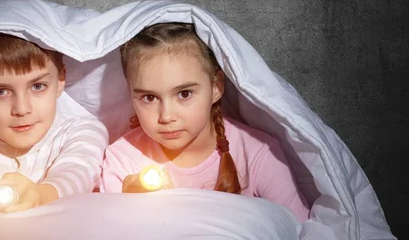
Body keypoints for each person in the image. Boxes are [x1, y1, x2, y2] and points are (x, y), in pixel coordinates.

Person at [100, 23, 310, 222]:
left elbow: (300, 230)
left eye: (184, 93)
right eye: (149, 97)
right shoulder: (121, 160)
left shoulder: (259, 154)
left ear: (216, 86)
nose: (166, 116)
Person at [0, 33, 108, 213]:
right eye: (0, 92)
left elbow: (77, 174)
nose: (22, 109)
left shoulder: (82, 131)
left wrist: (40, 195)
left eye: (37, 86)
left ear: (60, 81)